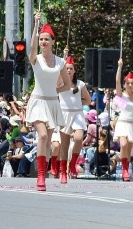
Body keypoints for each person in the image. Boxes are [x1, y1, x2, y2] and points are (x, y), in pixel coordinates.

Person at [26, 14, 66, 191]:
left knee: (48, 142)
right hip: (37, 102)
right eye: (41, 39)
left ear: (52, 42)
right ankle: (40, 175)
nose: (43, 42)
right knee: (42, 136)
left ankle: (44, 173)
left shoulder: (60, 62)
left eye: (46, 39)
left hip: (52, 103)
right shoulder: (35, 58)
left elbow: (66, 84)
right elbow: (32, 48)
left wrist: (55, 91)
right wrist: (36, 24)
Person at [57, 54, 90, 182]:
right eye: (67, 68)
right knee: (64, 145)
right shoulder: (60, 82)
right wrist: (64, 58)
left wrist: (78, 103)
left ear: (74, 70)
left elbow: (88, 100)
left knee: (78, 138)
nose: (69, 70)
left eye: (71, 68)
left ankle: (73, 163)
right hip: (64, 114)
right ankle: (63, 172)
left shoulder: (80, 84)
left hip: (77, 114)